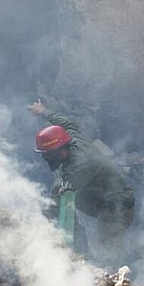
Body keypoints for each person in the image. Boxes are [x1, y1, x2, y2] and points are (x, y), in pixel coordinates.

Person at [29, 100, 135, 266]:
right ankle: (85, 255)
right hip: (98, 199)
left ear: (60, 151)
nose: (45, 158)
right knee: (70, 208)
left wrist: (40, 225)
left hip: (116, 207)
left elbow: (59, 197)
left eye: (48, 154)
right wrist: (42, 110)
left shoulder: (78, 166)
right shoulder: (72, 138)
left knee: (108, 258)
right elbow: (66, 122)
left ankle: (114, 281)